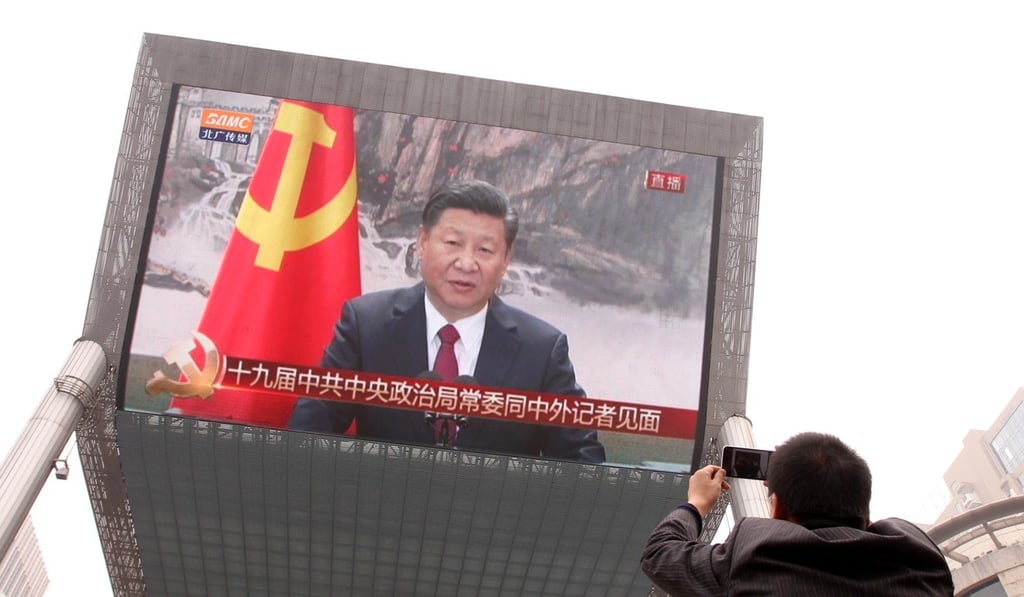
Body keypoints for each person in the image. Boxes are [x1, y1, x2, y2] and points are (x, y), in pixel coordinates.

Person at [288, 179, 605, 463]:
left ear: (506, 259)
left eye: (485, 250)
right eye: (452, 243)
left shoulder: (542, 349)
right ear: (423, 242)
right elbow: (310, 431)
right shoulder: (367, 323)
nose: (466, 263)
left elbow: (581, 458)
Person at [641, 432, 953, 595]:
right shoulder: (923, 566)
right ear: (866, 512)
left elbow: (659, 553)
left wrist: (698, 501)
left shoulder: (754, 557)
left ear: (776, 507)